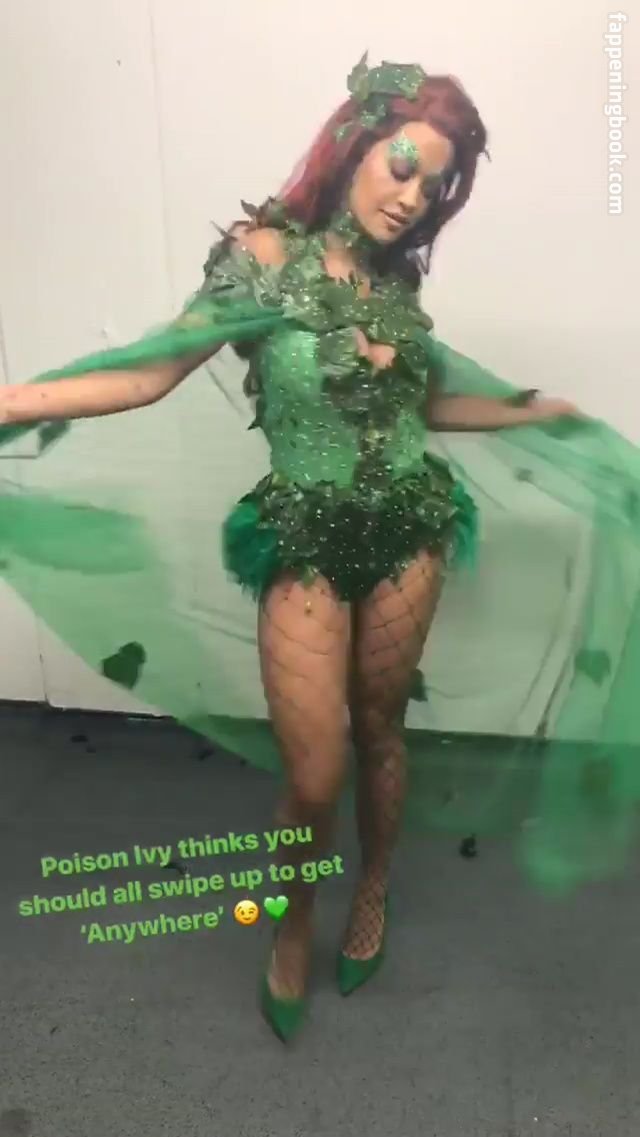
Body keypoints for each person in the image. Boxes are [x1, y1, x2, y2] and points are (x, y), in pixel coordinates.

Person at [1, 57, 639, 1044]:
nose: (412, 197)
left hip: (408, 530)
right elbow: (147, 374)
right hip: (304, 530)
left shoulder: (395, 284)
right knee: (314, 771)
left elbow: (423, 403)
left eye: (434, 186)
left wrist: (529, 413)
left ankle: (372, 886)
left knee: (381, 730)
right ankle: (292, 921)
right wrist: (10, 402)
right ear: (354, 145)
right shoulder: (264, 258)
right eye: (402, 165)